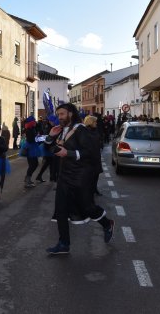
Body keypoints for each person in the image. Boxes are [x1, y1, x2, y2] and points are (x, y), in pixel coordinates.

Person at [45, 103, 115, 255]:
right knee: (61, 210)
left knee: (87, 208)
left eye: (62, 114)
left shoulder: (81, 130)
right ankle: (63, 244)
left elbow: (90, 152)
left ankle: (107, 224)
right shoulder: (62, 130)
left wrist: (68, 154)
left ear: (70, 113)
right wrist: (50, 137)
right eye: (58, 115)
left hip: (80, 177)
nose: (60, 117)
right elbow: (50, 149)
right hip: (64, 176)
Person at [35, 115, 59, 183]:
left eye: (52, 121)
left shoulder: (51, 126)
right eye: (51, 121)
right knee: (49, 162)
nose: (51, 122)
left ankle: (50, 177)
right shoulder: (49, 127)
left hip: (50, 147)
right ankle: (51, 177)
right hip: (48, 147)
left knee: (50, 163)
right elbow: (46, 137)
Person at [84, 115, 103, 196]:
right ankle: (89, 190)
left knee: (96, 174)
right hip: (89, 157)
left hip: (96, 155)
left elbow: (98, 139)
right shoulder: (86, 131)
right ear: (90, 122)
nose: (96, 123)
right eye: (95, 121)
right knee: (90, 175)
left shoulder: (95, 130)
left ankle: (95, 188)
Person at [22, 116, 40, 188]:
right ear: (31, 122)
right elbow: (30, 140)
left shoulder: (32, 128)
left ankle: (28, 179)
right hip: (30, 149)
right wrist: (38, 138)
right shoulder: (29, 129)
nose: (35, 122)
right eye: (34, 121)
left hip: (32, 148)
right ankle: (27, 180)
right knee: (33, 164)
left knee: (34, 164)